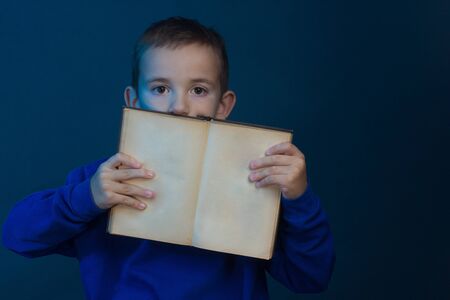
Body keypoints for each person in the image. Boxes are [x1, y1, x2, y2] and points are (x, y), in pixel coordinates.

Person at [2, 16, 335, 299]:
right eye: (161, 88)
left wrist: (300, 200)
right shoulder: (106, 181)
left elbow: (311, 278)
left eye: (199, 90)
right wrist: (85, 198)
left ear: (223, 106)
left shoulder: (254, 183)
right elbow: (17, 236)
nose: (179, 106)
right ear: (133, 100)